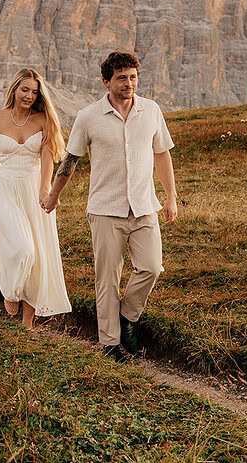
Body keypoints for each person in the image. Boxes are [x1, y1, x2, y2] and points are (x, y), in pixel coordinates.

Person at [41, 51, 177, 362]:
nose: (129, 83)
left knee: (151, 267)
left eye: (133, 77)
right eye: (121, 78)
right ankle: (110, 344)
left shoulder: (151, 111)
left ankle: (126, 317)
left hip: (144, 207)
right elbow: (71, 161)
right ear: (106, 82)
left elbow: (161, 154)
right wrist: (54, 195)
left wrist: (170, 196)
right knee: (107, 279)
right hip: (105, 210)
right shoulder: (88, 116)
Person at [0, 67, 72, 329]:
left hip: (33, 189)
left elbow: (48, 158)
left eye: (35, 92)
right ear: (14, 89)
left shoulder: (43, 120)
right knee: (22, 248)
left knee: (38, 253)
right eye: (25, 90)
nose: (29, 96)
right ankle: (11, 289)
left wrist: (45, 189)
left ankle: (27, 323)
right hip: (5, 188)